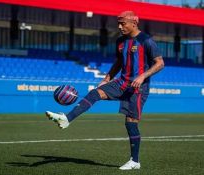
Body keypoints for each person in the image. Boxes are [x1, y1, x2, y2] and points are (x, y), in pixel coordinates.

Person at [46, 11, 164, 170]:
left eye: (123, 23)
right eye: (119, 23)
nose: (120, 26)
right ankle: (67, 119)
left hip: (138, 88)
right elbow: (119, 62)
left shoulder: (147, 41)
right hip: (122, 83)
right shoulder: (121, 41)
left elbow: (160, 63)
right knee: (95, 93)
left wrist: (142, 76)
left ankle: (135, 161)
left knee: (130, 124)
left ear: (134, 23)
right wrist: (107, 78)